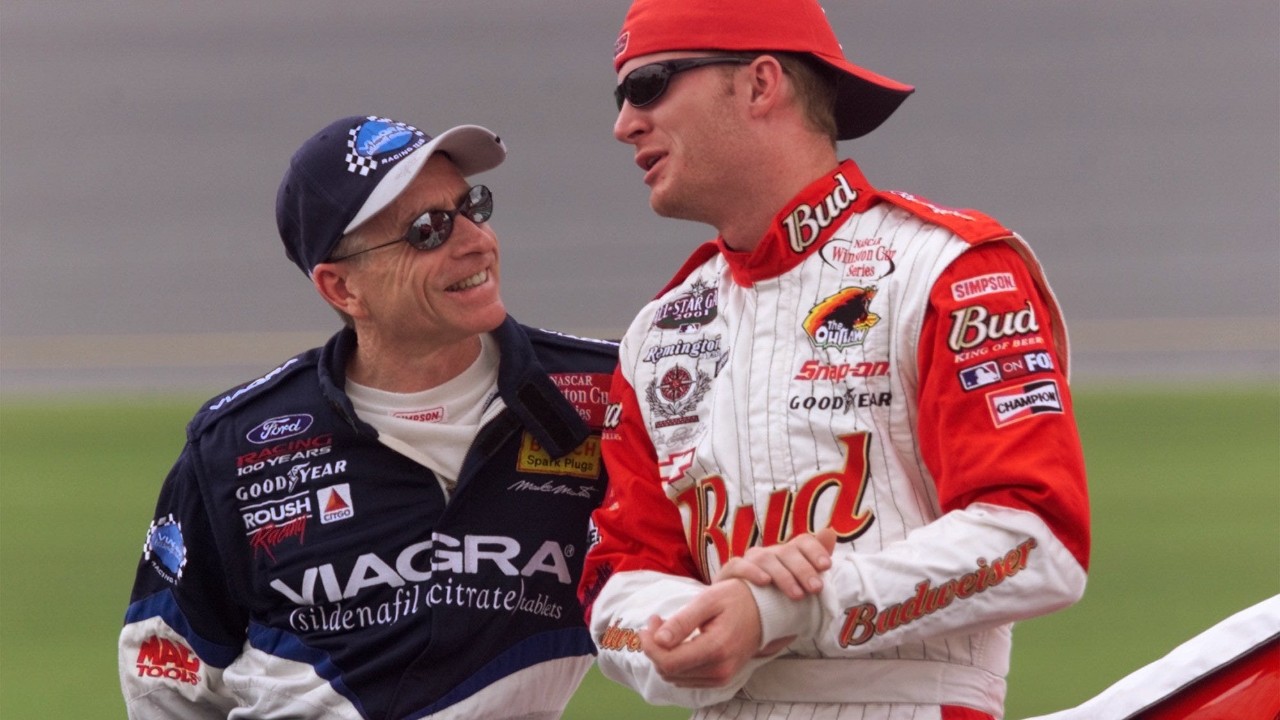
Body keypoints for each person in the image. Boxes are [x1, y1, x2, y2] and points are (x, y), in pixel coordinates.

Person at [578, 1, 1091, 718]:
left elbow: (1039, 541)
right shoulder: (659, 332)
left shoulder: (951, 269)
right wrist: (672, 635)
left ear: (761, 84)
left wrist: (794, 609)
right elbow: (618, 576)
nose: (625, 122)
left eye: (650, 84)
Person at [119, 115, 617, 720]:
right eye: (428, 231)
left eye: (471, 207)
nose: (474, 240)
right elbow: (164, 681)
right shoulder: (235, 447)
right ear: (341, 288)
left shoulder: (603, 398)